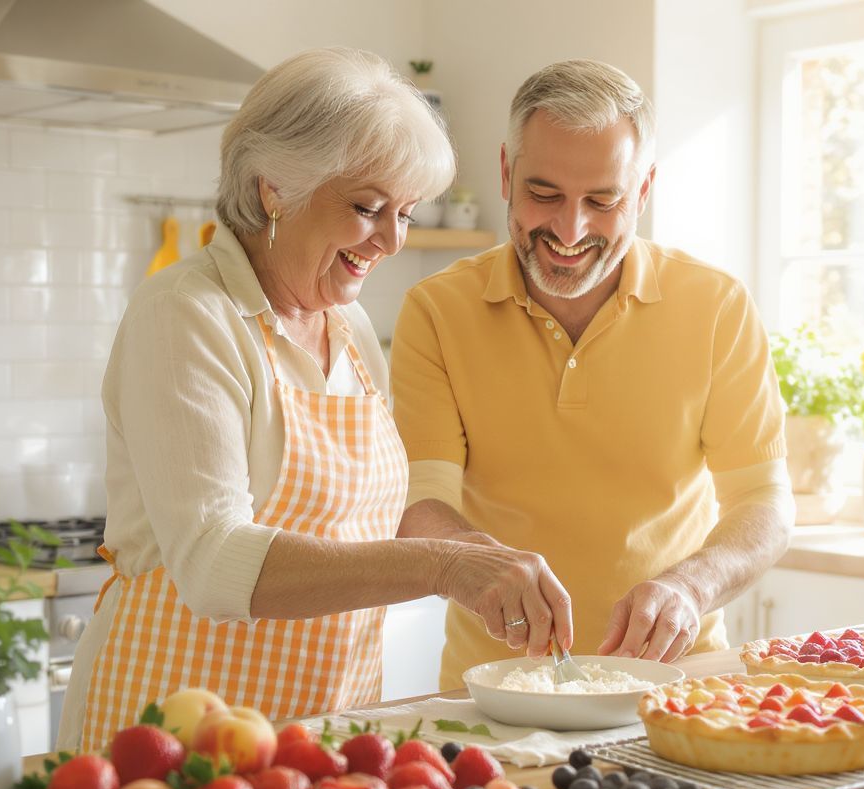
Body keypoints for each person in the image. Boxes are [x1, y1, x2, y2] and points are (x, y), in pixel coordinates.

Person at [59, 48, 573, 752]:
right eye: (367, 208)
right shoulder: (186, 314)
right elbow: (213, 563)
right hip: (178, 733)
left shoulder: (348, 327)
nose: (391, 240)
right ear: (275, 187)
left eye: (405, 213)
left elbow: (370, 515)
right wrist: (441, 567)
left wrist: (472, 551)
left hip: (325, 729)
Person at [391, 59, 795, 690]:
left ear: (643, 189)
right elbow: (421, 501)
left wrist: (693, 585)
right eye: (544, 194)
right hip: (493, 689)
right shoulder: (437, 311)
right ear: (506, 172)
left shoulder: (717, 306)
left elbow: (764, 501)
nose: (570, 229)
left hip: (675, 683)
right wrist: (486, 566)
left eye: (602, 201)